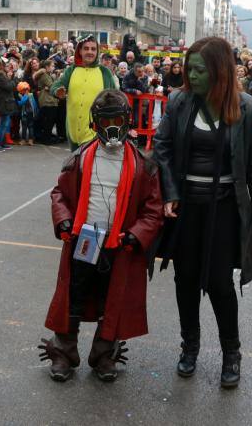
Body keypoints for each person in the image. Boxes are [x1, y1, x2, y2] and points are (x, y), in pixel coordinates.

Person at [152, 36, 252, 389]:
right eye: (189, 69)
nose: (191, 76)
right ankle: (189, 346)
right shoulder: (179, 101)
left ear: (220, 71)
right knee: (185, 279)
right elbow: (162, 147)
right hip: (186, 206)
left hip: (225, 207)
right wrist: (170, 192)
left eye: (199, 70)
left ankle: (231, 353)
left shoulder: (247, 108)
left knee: (220, 283)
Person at [39, 89, 163, 382]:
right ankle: (63, 352)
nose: (112, 128)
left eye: (117, 120)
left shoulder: (143, 166)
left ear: (127, 120)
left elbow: (153, 208)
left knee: (113, 299)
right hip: (85, 238)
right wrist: (64, 220)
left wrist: (136, 235)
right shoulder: (80, 157)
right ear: (95, 123)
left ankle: (104, 355)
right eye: (106, 121)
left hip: (119, 243)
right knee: (74, 295)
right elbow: (60, 193)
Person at [50, 35, 118, 150]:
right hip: (73, 131)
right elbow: (55, 86)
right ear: (80, 51)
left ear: (97, 52)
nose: (90, 52)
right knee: (76, 161)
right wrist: (57, 91)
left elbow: (116, 99)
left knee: (92, 161)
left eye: (93, 49)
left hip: (97, 133)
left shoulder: (104, 72)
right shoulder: (71, 70)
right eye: (86, 48)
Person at [0, 60, 17, 152]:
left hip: (5, 103)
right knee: (3, 125)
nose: (9, 68)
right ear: (2, 67)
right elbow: (10, 87)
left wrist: (9, 78)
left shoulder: (2, 76)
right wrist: (12, 79)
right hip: (3, 104)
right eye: (7, 66)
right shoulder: (0, 77)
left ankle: (2, 143)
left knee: (4, 125)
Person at [17, 81, 38, 145]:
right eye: (24, 90)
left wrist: (36, 112)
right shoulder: (25, 96)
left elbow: (33, 104)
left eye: (26, 89)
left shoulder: (28, 95)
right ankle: (27, 140)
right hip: (28, 113)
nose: (25, 91)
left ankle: (28, 140)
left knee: (28, 127)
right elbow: (22, 103)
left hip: (28, 113)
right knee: (27, 127)